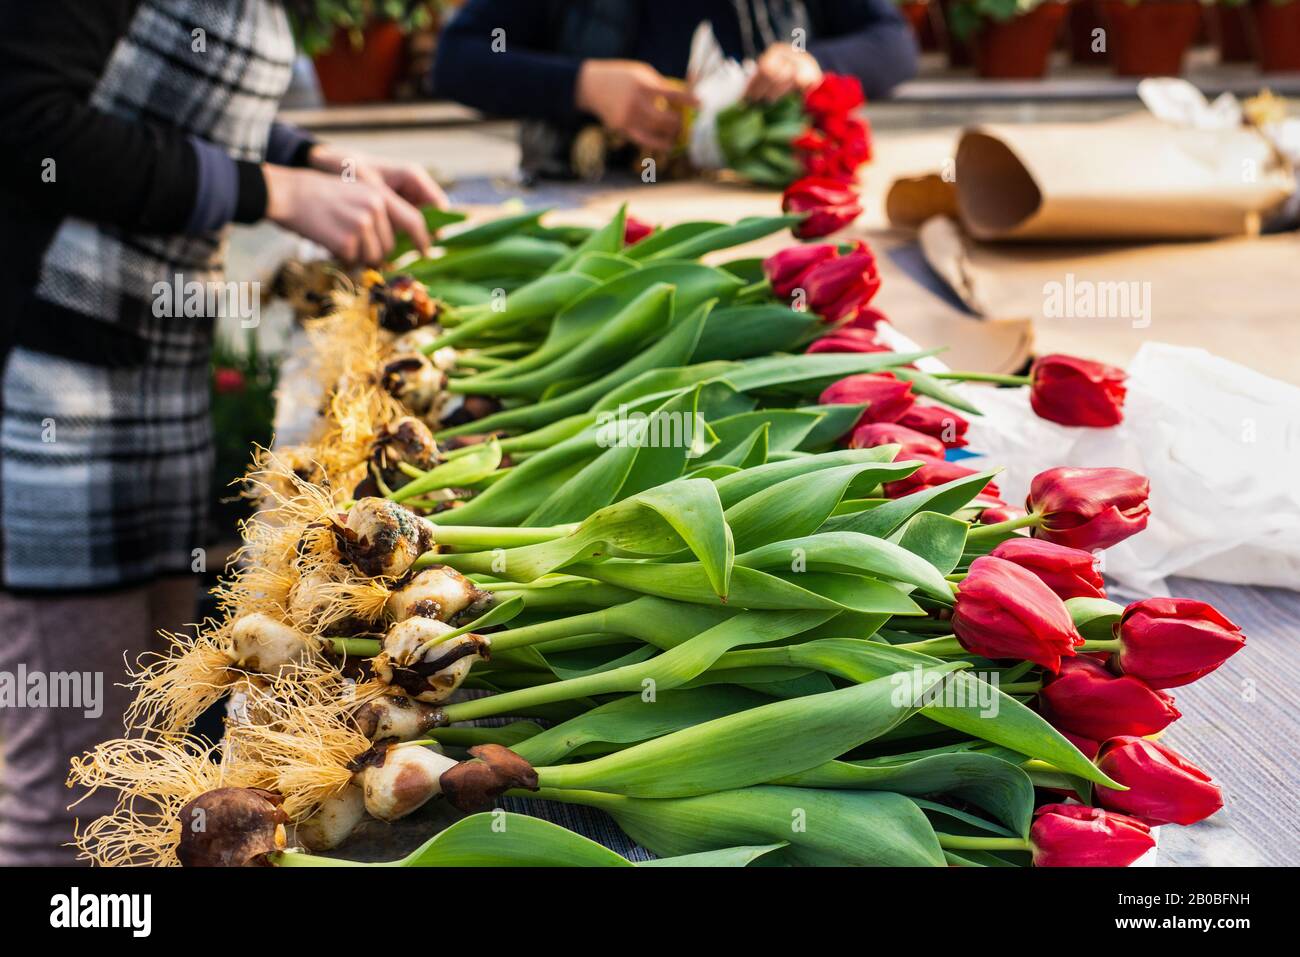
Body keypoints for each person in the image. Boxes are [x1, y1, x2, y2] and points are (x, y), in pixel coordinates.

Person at [0, 0, 446, 865]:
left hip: (149, 380)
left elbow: (153, 101)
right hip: (52, 388)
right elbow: (29, 115)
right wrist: (273, 190)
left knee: (143, 752)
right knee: (66, 795)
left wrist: (313, 159)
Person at [432, 0, 916, 175]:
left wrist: (811, 62)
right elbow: (459, 58)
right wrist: (582, 85)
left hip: (761, 217)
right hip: (597, 212)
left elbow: (893, 41)